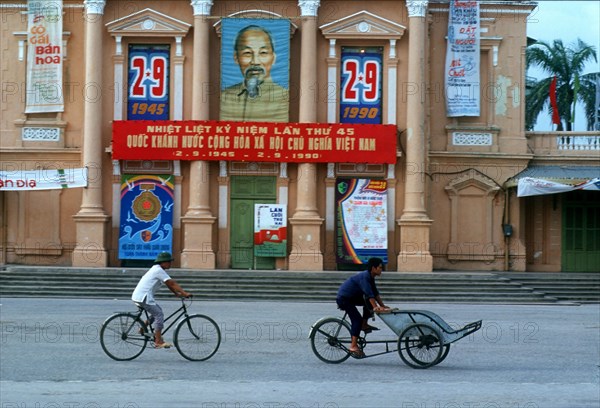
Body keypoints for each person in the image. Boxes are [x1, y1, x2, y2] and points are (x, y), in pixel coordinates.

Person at [220, 24, 289, 122]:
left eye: (263, 53)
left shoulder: (285, 98)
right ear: (236, 58)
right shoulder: (224, 97)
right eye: (247, 53)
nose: (255, 61)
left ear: (273, 58)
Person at [131, 252, 191, 349]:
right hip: (143, 297)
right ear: (163, 262)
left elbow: (168, 284)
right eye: (168, 262)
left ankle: (143, 328)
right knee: (159, 314)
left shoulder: (157, 269)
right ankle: (158, 341)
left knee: (157, 311)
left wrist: (176, 294)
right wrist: (184, 293)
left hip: (140, 296)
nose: (170, 264)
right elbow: (171, 283)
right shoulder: (158, 270)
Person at [336, 257, 391, 357]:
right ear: (373, 268)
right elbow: (369, 294)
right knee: (357, 320)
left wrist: (382, 306)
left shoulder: (371, 277)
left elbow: (375, 293)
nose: (381, 269)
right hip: (344, 299)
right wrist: (376, 307)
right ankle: (353, 345)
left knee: (368, 304)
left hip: (352, 298)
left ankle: (364, 324)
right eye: (380, 267)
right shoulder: (365, 277)